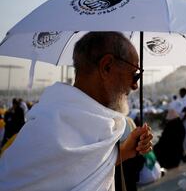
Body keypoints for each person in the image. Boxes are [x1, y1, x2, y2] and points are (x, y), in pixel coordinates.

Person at [0, 32, 153, 191]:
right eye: (135, 75)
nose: (135, 86)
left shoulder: (97, 124)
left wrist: (124, 152)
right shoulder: (48, 128)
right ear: (107, 67)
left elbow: (76, 170)